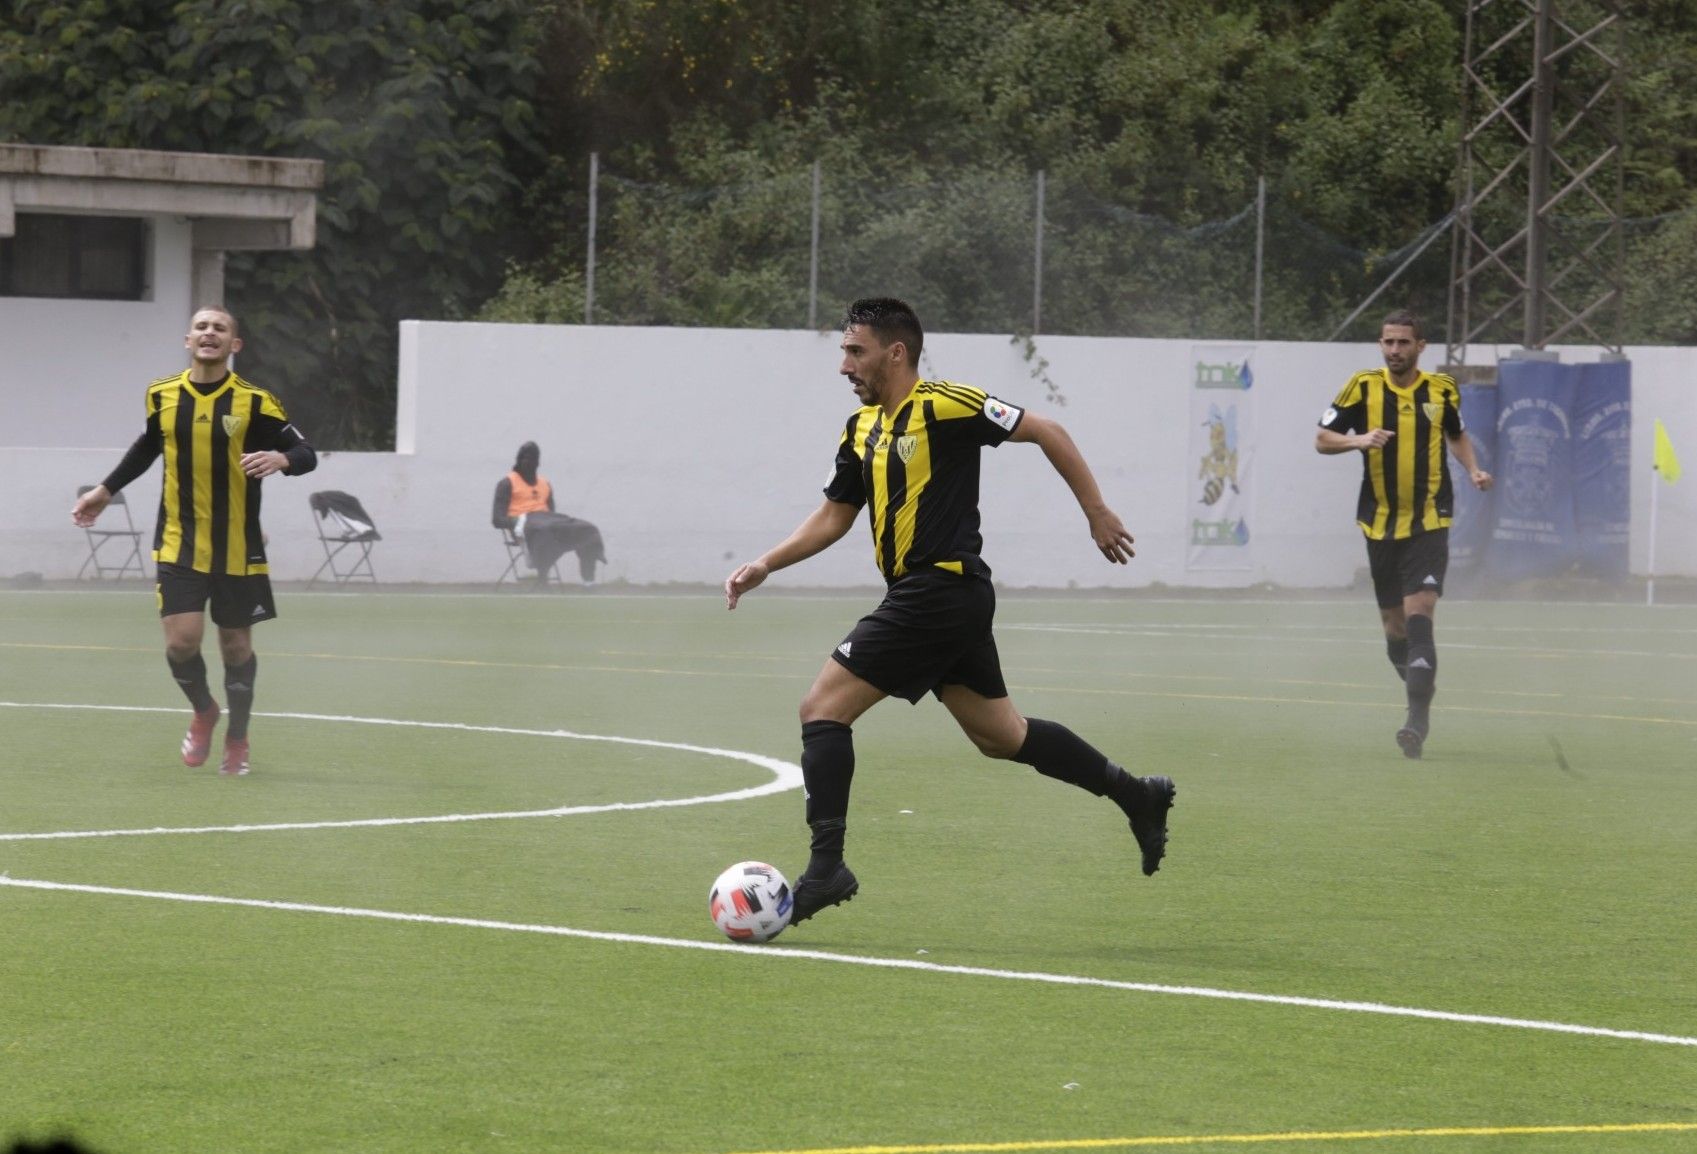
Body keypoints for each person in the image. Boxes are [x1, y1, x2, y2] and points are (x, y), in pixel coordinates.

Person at [724, 297, 1176, 928]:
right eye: (843, 352)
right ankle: (1138, 794)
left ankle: (827, 867)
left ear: (896, 352)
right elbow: (835, 515)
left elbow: (1048, 430)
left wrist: (1096, 511)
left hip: (938, 590)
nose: (844, 366)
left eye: (856, 352)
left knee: (821, 708)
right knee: (1002, 736)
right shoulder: (861, 431)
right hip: (937, 598)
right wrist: (767, 563)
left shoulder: (946, 405)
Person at [71, 306, 317, 776]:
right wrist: (104, 492)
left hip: (238, 545)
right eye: (202, 327)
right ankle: (205, 710)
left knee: (236, 649)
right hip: (178, 540)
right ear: (188, 340)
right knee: (183, 643)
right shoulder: (162, 393)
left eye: (220, 328)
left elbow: (306, 452)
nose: (210, 334)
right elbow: (149, 445)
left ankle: (238, 740)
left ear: (233, 345)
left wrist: (282, 460)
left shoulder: (255, 401)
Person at [1315, 309, 1493, 759]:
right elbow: (1321, 438)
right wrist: (1359, 440)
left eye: (1403, 343)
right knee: (1395, 630)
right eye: (1388, 342)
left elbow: (1456, 434)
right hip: (1379, 523)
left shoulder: (1441, 389)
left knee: (1420, 613)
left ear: (1420, 347)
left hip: (1430, 521)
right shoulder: (1363, 386)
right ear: (1381, 345)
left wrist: (1472, 469)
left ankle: (1415, 721)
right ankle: (1421, 695)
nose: (1395, 350)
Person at [491, 442, 606, 585]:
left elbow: (551, 514)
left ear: (538, 462)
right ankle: (543, 578)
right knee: (543, 530)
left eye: (532, 458)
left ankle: (589, 582)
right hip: (524, 523)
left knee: (587, 529)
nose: (528, 462)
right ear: (518, 460)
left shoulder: (544, 483)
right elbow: (497, 520)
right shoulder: (507, 483)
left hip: (547, 520)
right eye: (524, 458)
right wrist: (517, 522)